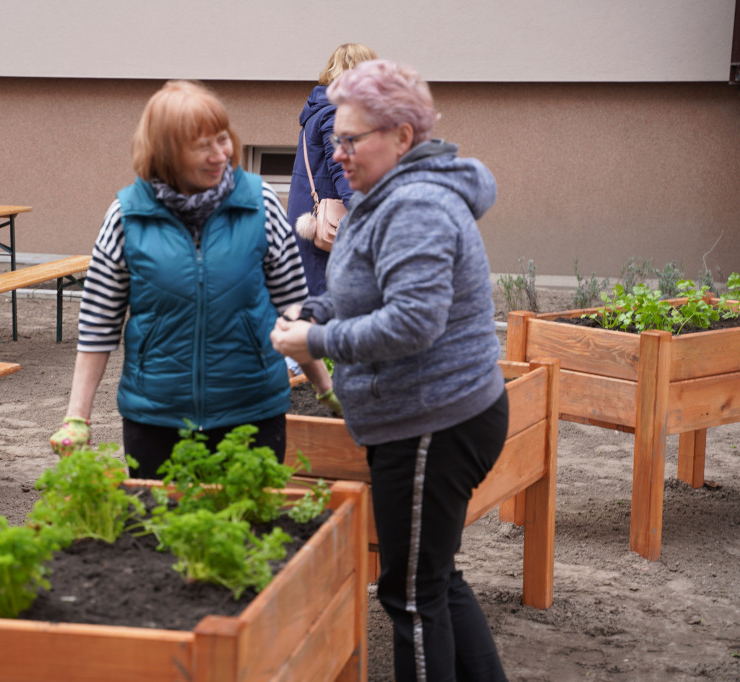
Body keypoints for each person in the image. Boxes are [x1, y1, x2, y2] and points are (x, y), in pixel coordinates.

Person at [270, 60, 509, 681]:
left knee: (410, 598)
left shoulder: (416, 206)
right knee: (434, 579)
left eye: (351, 140)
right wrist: (313, 310)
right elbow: (363, 292)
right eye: (334, 139)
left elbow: (411, 324)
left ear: (403, 136)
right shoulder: (381, 198)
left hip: (434, 422)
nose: (337, 152)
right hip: (423, 415)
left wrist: (316, 338)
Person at [50, 80, 337, 479]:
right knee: (161, 537)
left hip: (252, 414)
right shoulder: (126, 216)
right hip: (156, 419)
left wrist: (324, 387)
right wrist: (76, 417)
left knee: (250, 536)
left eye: (223, 139)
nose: (221, 154)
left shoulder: (260, 203)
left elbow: (293, 306)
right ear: (166, 153)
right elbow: (98, 324)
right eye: (203, 146)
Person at [286, 43, 377, 297]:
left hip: (312, 224)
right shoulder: (337, 114)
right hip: (328, 232)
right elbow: (345, 173)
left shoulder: (317, 111)